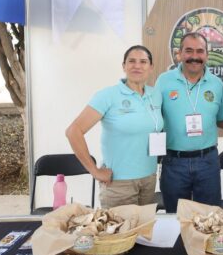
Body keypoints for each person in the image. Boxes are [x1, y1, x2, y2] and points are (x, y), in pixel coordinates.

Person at [66, 45, 164, 208]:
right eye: (131, 61)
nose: (137, 66)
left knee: (145, 232)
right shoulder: (108, 96)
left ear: (151, 67)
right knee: (119, 233)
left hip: (148, 179)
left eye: (143, 62)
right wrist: (94, 171)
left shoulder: (155, 95)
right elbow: (73, 131)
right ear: (123, 66)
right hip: (119, 184)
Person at [156, 32, 223, 212]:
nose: (194, 57)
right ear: (179, 53)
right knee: (175, 219)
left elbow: (222, 120)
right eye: (189, 51)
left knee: (210, 218)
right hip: (174, 162)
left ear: (206, 54)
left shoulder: (216, 84)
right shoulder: (164, 81)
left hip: (208, 161)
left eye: (200, 51)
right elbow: (154, 120)